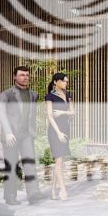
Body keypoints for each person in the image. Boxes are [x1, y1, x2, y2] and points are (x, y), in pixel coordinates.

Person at [0, 66, 44, 205]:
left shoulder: (33, 95)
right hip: (11, 135)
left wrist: (33, 131)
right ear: (14, 77)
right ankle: (10, 195)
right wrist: (8, 132)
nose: (25, 77)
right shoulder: (6, 94)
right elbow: (2, 114)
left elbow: (32, 115)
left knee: (30, 164)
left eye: (27, 75)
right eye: (22, 75)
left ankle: (33, 193)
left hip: (26, 134)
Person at [45, 72, 75, 200]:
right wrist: (58, 133)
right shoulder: (50, 96)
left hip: (65, 129)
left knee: (59, 162)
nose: (66, 83)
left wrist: (63, 112)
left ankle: (52, 190)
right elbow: (50, 116)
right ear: (56, 82)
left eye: (67, 81)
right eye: (64, 81)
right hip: (55, 131)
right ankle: (63, 190)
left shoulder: (68, 95)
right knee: (59, 160)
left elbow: (73, 112)